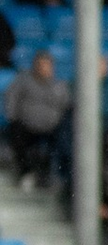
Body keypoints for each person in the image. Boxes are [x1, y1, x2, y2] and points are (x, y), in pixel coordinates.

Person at [5, 51, 70, 189]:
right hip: (25, 126)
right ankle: (26, 172)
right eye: (40, 65)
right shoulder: (23, 80)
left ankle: (48, 177)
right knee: (16, 134)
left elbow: (66, 106)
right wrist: (12, 117)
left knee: (62, 140)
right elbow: (11, 98)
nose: (43, 69)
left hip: (51, 128)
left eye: (46, 65)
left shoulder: (59, 85)